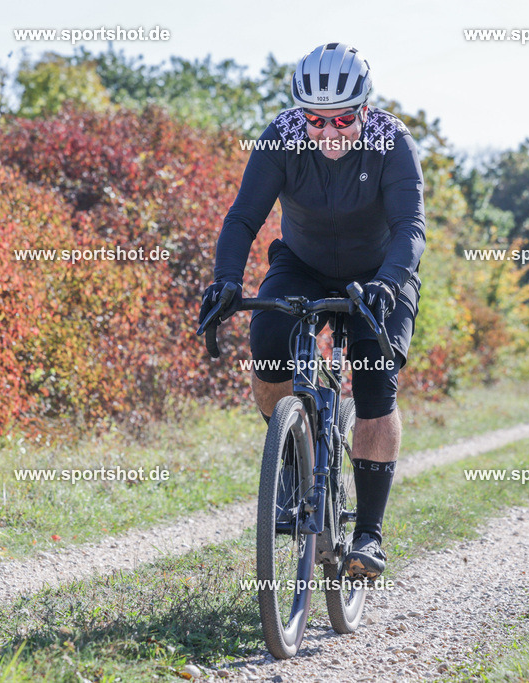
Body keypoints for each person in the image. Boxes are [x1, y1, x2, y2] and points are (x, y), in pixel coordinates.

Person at [197, 42, 425, 580]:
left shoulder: (394, 142)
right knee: (268, 342)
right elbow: (242, 217)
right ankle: (294, 459)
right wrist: (226, 280)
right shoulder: (280, 136)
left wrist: (390, 284)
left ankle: (368, 533)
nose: (327, 133)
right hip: (301, 263)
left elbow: (410, 228)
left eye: (342, 120)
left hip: (379, 277)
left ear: (364, 110)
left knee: (374, 386)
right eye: (315, 121)